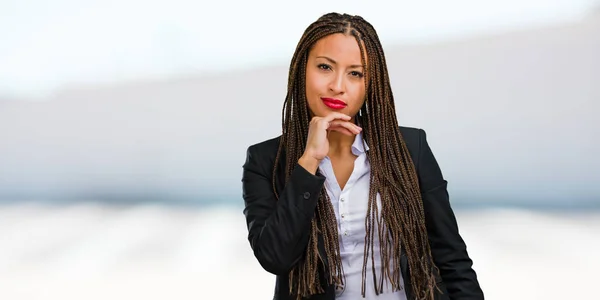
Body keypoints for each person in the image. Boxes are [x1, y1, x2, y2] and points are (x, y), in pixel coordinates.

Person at [241, 12, 484, 300]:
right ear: (301, 70)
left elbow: (451, 257)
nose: (338, 86)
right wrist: (308, 162)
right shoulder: (265, 161)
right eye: (324, 67)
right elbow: (275, 257)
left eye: (355, 73)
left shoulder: (411, 147)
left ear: (371, 84)